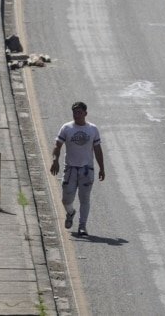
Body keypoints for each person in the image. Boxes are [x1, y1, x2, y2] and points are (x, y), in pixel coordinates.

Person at [50, 101, 105, 236]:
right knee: (66, 200)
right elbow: (58, 146)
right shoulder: (67, 128)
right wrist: (55, 160)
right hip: (70, 170)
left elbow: (97, 149)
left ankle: (82, 226)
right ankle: (70, 212)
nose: (77, 115)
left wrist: (101, 168)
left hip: (87, 170)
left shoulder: (92, 129)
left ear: (85, 113)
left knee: (84, 199)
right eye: (75, 112)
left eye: (80, 112)